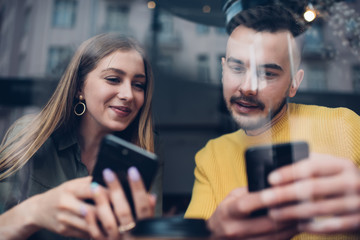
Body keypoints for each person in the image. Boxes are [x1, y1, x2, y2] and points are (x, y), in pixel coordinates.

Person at [185, 5, 360, 240]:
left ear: (294, 83)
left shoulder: (345, 126)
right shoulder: (211, 157)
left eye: (267, 73)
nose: (248, 87)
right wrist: (213, 234)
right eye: (237, 68)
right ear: (223, 70)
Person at [0, 33, 160, 240]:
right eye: (113, 79)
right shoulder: (32, 135)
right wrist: (36, 211)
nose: (128, 94)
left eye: (138, 85)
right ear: (79, 88)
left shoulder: (144, 154)